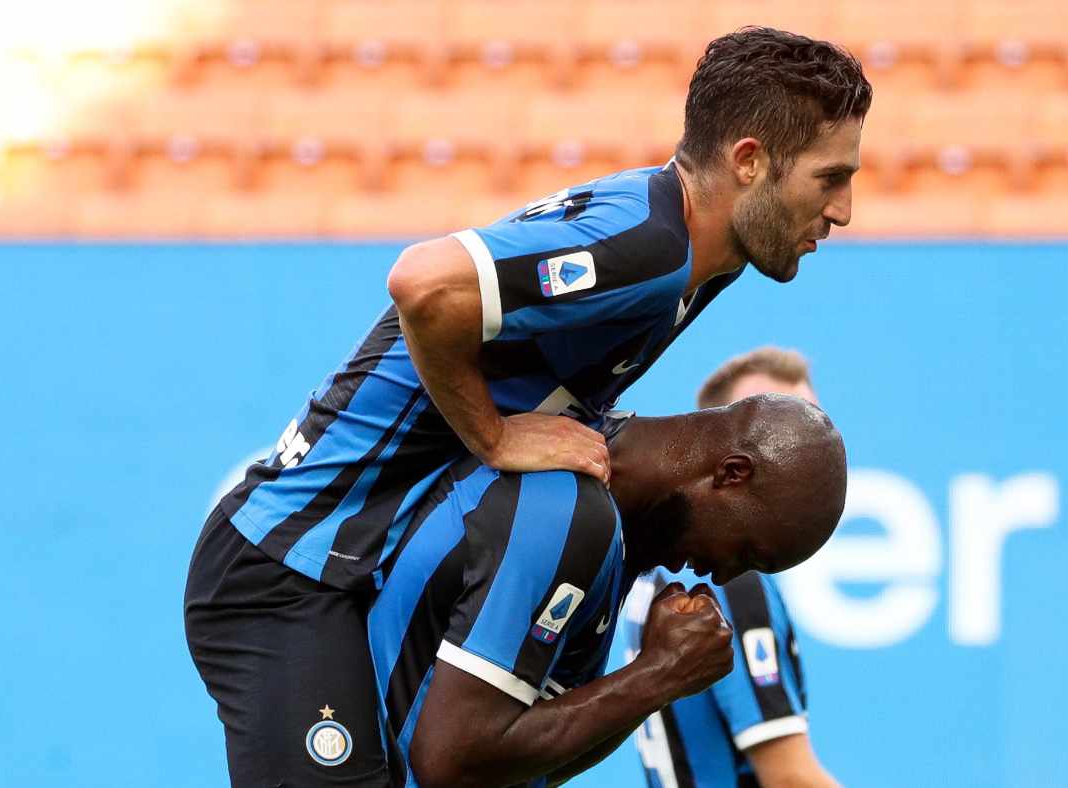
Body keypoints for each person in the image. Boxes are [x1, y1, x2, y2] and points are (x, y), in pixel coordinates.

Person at [186, 27, 872, 787]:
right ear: (749, 161)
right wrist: (493, 437)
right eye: (830, 177)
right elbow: (424, 282)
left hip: (353, 564)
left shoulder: (702, 263)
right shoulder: (651, 250)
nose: (843, 209)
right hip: (288, 561)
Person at [370, 394, 846, 787]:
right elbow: (450, 762)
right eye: (746, 552)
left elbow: (524, 767)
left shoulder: (623, 539)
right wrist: (660, 674)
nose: (723, 577)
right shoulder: (572, 508)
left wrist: (657, 678)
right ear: (732, 473)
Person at [622, 347, 840, 788]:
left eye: (815, 420)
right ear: (732, 458)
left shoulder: (662, 569)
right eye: (785, 421)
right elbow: (789, 778)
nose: (809, 443)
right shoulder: (730, 583)